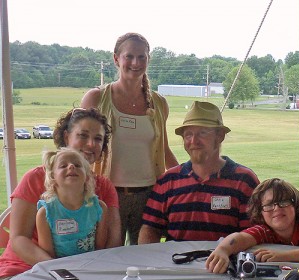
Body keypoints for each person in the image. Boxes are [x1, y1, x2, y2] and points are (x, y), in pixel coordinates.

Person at [0, 108, 120, 280]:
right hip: (23, 270)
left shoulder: (105, 187)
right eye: (83, 136)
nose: (90, 144)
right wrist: (60, 270)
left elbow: (113, 240)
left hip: (83, 273)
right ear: (66, 137)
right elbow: (19, 239)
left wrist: (91, 273)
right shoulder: (35, 178)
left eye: (98, 139)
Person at [80, 32, 178, 245]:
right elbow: (77, 147)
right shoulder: (96, 98)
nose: (136, 62)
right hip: (106, 195)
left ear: (148, 59)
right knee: (107, 257)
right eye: (129, 56)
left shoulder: (159, 103)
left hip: (149, 196)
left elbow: (164, 149)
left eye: (142, 57)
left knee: (145, 261)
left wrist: (187, 180)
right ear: (116, 59)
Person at [139, 101, 260, 243]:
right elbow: (150, 228)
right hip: (175, 263)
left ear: (220, 136)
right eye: (188, 135)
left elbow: (253, 233)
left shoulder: (244, 181)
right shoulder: (168, 181)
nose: (193, 141)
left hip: (225, 263)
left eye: (202, 133)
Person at [205, 178, 299, 274]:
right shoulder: (265, 230)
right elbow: (239, 238)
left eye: (283, 202)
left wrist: (284, 256)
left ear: (295, 205)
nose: (277, 209)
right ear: (260, 212)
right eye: (269, 205)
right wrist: (223, 250)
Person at [36, 148, 108, 258]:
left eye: (78, 165)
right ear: (52, 177)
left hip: (90, 266)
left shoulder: (100, 208)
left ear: (87, 176)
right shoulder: (45, 214)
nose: (71, 166)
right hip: (60, 269)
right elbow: (48, 257)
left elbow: (99, 248)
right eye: (63, 166)